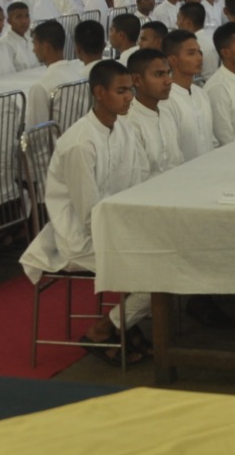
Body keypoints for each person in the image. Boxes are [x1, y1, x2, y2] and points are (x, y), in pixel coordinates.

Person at [19, 60, 150, 363]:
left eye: (130, 90)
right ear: (99, 93)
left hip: (114, 226)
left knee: (166, 254)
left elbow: (138, 180)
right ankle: (103, 330)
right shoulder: (80, 143)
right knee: (157, 272)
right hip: (81, 237)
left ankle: (122, 324)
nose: (129, 97)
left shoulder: (123, 128)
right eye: (121, 91)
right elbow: (89, 214)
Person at [120, 49, 183, 178]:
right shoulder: (130, 123)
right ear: (137, 80)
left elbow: (177, 161)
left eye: (168, 73)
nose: (168, 81)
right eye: (158, 74)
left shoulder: (167, 114)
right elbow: (137, 177)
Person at [161, 29, 217, 160]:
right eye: (191, 53)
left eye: (199, 52)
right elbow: (172, 153)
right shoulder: (166, 100)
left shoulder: (201, 93)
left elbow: (211, 139)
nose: (199, 58)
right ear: (173, 60)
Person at [25, 19, 87, 128]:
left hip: (59, 139)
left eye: (35, 44)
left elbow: (36, 132)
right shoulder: (80, 76)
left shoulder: (41, 87)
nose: (33, 50)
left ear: (46, 47)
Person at [1, 0, 39, 70]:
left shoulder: (31, 40)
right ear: (9, 21)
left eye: (27, 16)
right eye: (18, 17)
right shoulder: (4, 43)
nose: (24, 21)